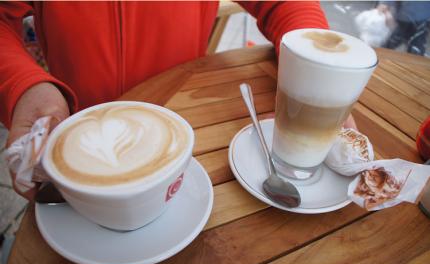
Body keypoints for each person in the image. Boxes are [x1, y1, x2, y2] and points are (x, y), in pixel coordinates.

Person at [0, 2, 355, 200]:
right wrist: (22, 85)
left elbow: (283, 4)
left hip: (187, 132)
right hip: (72, 131)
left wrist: (318, 67)